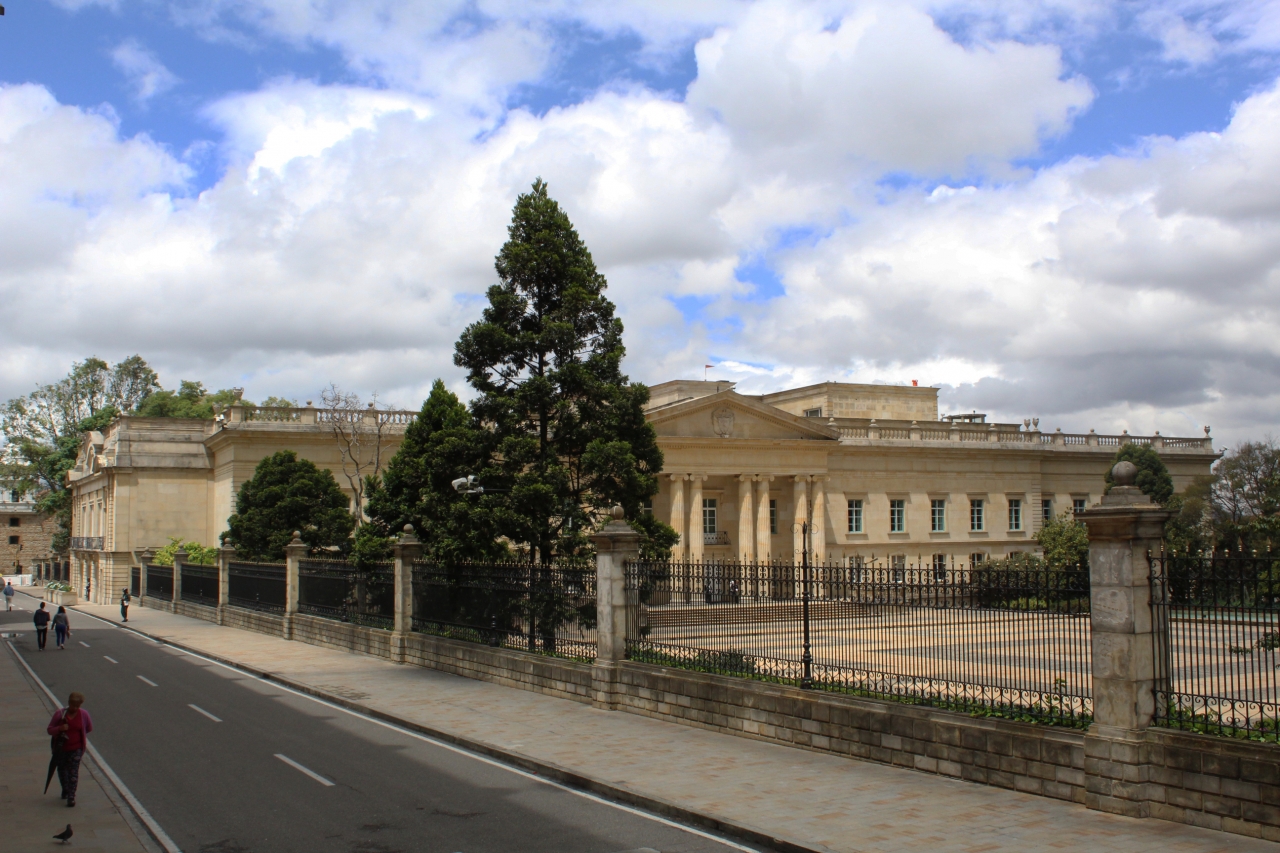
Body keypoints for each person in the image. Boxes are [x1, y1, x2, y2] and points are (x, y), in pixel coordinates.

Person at [47, 692, 92, 807]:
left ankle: (71, 797)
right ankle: (65, 789)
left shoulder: (84, 714)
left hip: (76, 749)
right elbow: (50, 730)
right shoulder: (60, 714)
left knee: (73, 772)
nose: (75, 708)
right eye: (73, 705)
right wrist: (60, 728)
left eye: (78, 706)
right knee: (62, 770)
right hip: (61, 749)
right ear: (69, 703)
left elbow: (88, 728)